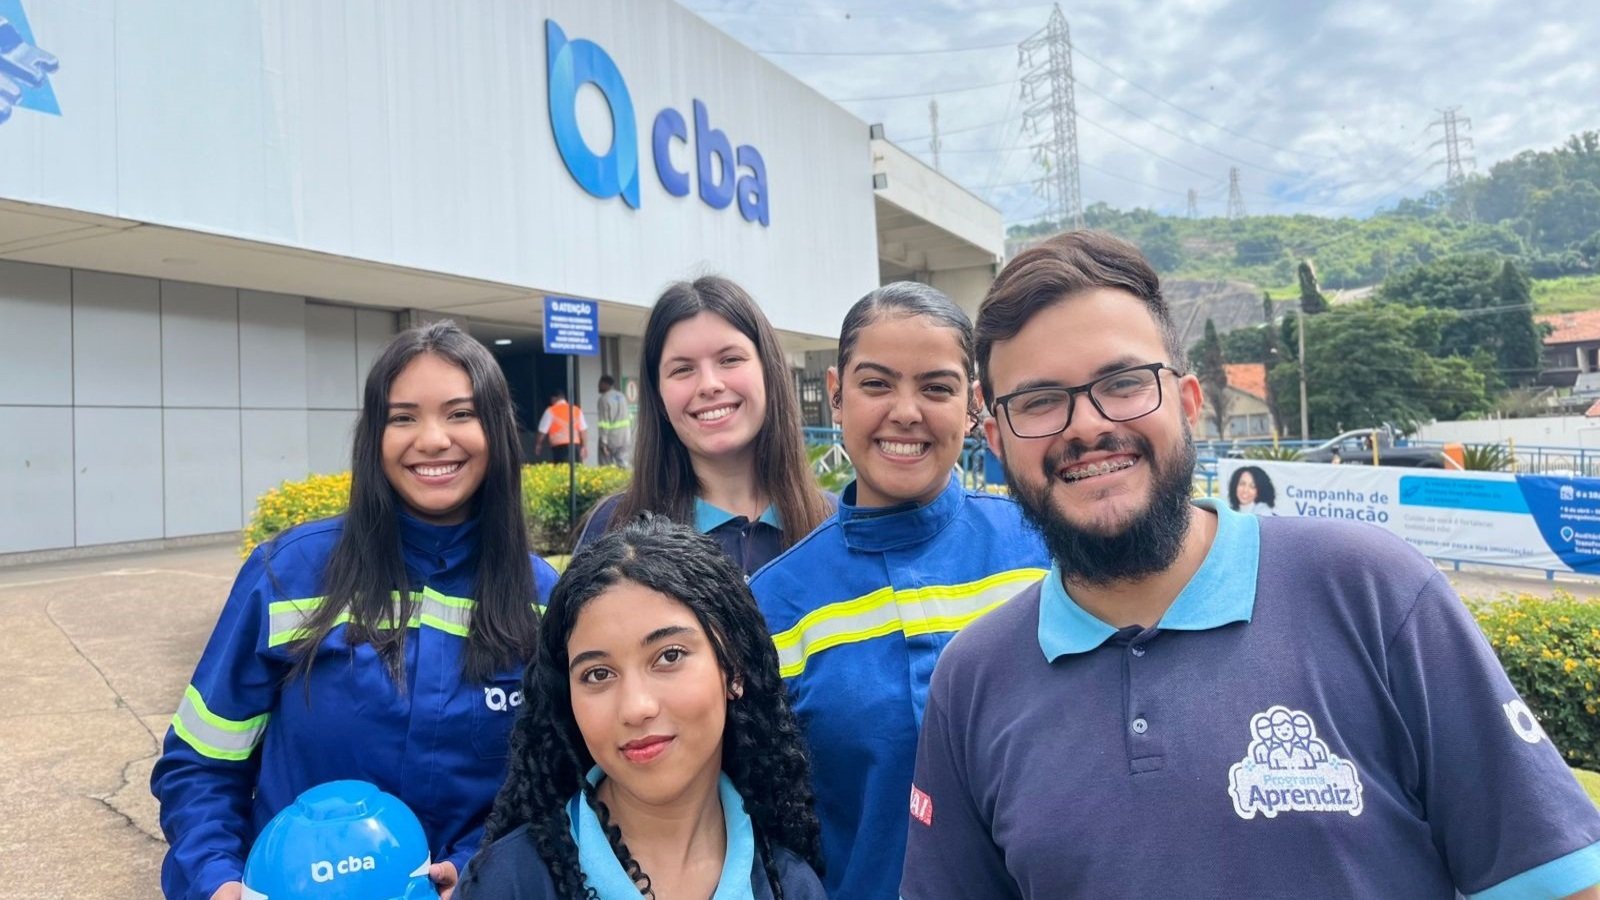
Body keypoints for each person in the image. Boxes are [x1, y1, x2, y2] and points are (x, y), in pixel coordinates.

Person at [901, 231, 1600, 899]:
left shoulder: (1370, 593)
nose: (1085, 425)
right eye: (1040, 401)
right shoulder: (973, 683)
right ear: (994, 439)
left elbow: (1560, 883)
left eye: (1122, 382)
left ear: (1189, 402)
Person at [151, 321, 560, 900]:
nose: (434, 439)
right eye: (404, 417)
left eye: (460, 414)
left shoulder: (541, 597)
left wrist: (476, 867)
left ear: (497, 430)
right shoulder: (290, 574)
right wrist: (217, 880)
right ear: (374, 436)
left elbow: (551, 785)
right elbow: (201, 763)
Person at [749, 283, 1049, 900]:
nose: (906, 412)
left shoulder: (1045, 552)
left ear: (973, 406)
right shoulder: (773, 603)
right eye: (877, 384)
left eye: (936, 388)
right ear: (836, 395)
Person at [458, 514, 825, 900]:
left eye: (669, 656)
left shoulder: (789, 886)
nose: (636, 707)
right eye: (598, 674)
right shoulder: (510, 882)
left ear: (733, 667)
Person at [575, 276, 833, 575]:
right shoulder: (615, 526)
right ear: (658, 396)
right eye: (683, 369)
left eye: (730, 359)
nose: (709, 385)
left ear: (769, 372)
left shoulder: (833, 525)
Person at [535, 389, 587, 464]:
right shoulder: (576, 410)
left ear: (554, 398)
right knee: (575, 470)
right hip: (575, 445)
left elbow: (542, 430)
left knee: (562, 470)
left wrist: (538, 444)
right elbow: (583, 430)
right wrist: (584, 446)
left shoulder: (550, 411)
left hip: (559, 447)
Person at [595, 374, 633, 468]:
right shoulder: (621, 396)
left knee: (606, 467)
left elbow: (604, 423)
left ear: (605, 384)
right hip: (625, 438)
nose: (598, 386)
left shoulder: (604, 399)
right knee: (623, 464)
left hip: (611, 439)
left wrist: (604, 443)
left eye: (600, 383)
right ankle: (625, 482)